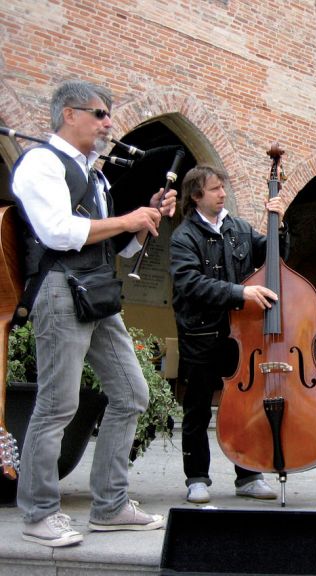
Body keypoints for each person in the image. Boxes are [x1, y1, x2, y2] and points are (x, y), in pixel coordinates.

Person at [11, 79, 176, 547]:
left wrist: (144, 219)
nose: (108, 124)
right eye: (100, 114)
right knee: (57, 404)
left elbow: (118, 248)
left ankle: (110, 506)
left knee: (132, 393)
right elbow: (58, 232)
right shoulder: (42, 162)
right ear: (69, 114)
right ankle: (39, 513)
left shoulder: (96, 177)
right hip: (60, 289)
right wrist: (127, 219)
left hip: (97, 291)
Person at [170, 164, 287, 504]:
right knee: (197, 408)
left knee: (246, 405)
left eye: (222, 187)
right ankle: (197, 478)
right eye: (215, 189)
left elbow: (275, 256)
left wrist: (279, 224)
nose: (223, 193)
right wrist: (241, 293)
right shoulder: (184, 237)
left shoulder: (239, 228)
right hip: (201, 334)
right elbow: (189, 283)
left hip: (241, 335)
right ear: (196, 196)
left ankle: (248, 475)